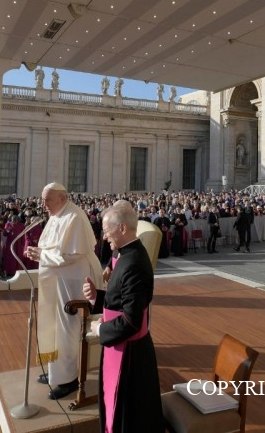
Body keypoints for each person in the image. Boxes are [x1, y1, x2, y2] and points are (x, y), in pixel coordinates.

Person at [82, 201, 163, 433]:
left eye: (107, 230)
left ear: (123, 228)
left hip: (130, 356)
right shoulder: (126, 254)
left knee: (129, 418)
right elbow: (120, 299)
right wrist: (96, 297)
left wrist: (100, 329)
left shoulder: (134, 263)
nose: (105, 236)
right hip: (122, 348)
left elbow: (130, 320)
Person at [25, 182, 103, 400]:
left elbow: (72, 254)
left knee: (67, 328)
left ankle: (69, 379)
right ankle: (56, 372)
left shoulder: (74, 217)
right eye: (42, 200)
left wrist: (42, 255)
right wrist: (39, 252)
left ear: (62, 198)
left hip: (73, 281)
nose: (44, 204)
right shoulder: (57, 214)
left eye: (47, 200)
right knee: (54, 325)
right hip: (59, 279)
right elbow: (54, 248)